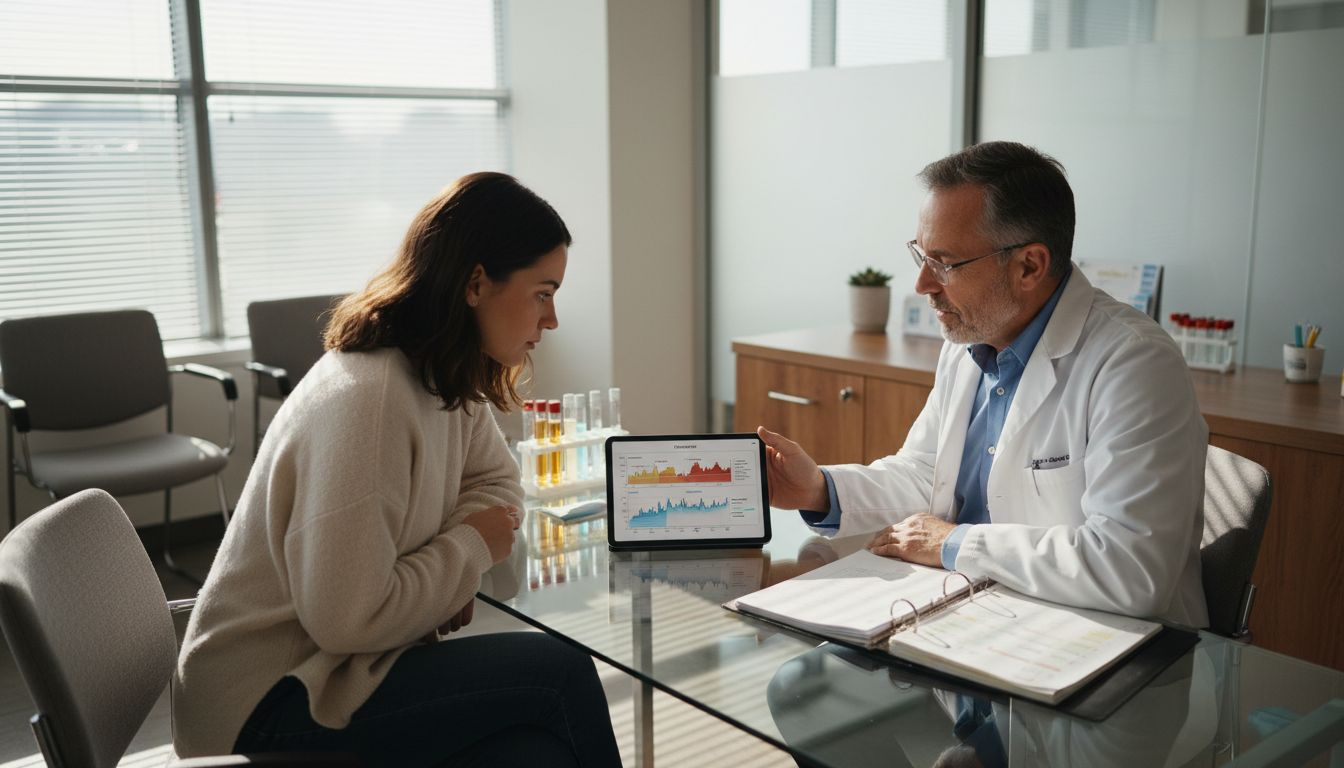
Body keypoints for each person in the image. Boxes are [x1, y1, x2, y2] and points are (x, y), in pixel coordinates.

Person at [173, 172, 623, 767]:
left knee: (536, 751)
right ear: (476, 283)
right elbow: (348, 619)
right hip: (267, 703)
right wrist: (466, 550)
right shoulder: (374, 398)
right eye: (543, 293)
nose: (553, 319)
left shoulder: (442, 375)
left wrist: (442, 582)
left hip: (344, 666)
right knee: (561, 674)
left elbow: (496, 485)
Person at [758, 141, 1209, 627]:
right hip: (978, 616)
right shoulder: (970, 339)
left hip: (1105, 648)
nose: (923, 285)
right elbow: (926, 474)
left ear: (1029, 266)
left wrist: (953, 543)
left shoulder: (1134, 363)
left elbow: (1131, 568)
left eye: (945, 264)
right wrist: (820, 490)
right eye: (921, 256)